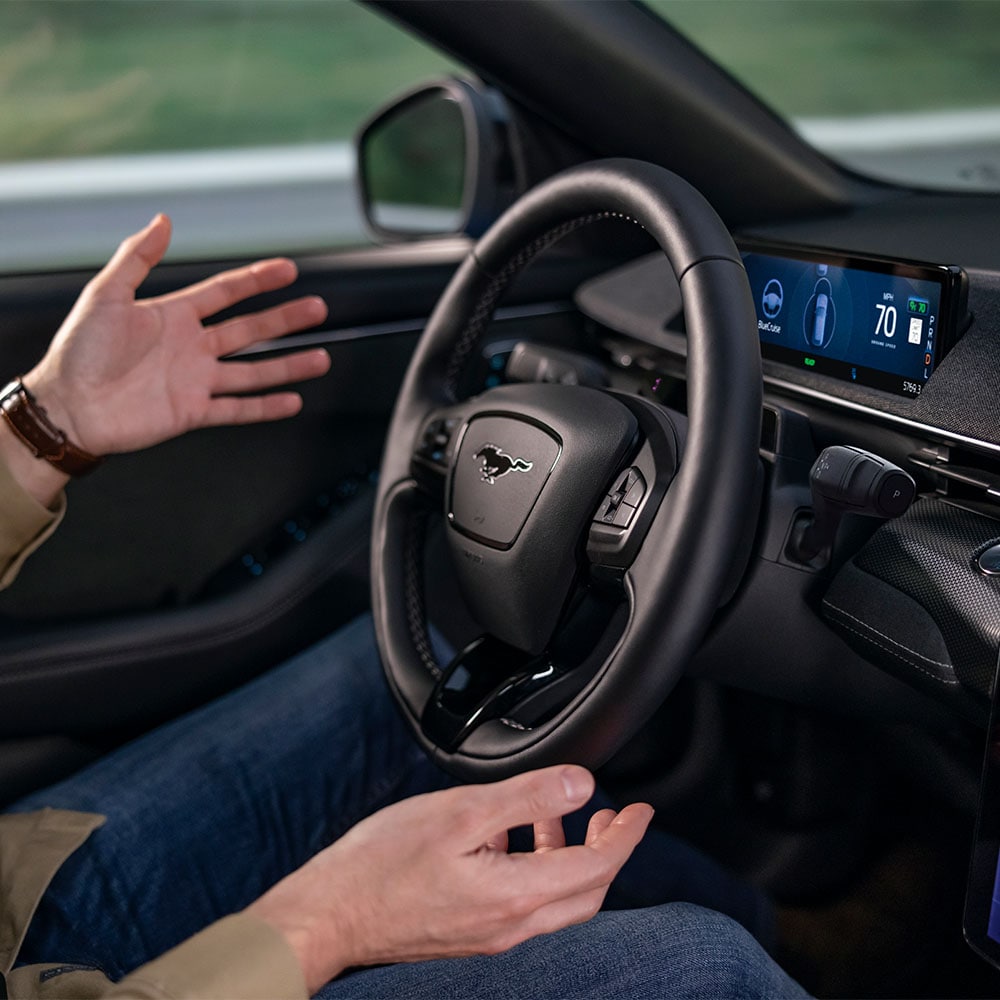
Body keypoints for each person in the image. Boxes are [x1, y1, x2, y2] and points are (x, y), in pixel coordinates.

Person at [0, 217, 807, 999]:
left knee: (398, 689)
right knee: (701, 972)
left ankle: (786, 938)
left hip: (16, 895)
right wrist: (324, 923)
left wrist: (44, 425)